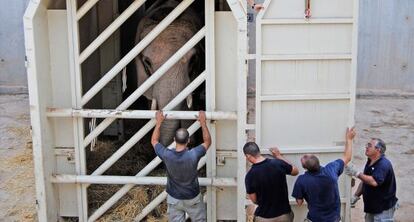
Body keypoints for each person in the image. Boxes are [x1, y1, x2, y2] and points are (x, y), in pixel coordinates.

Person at [151, 110, 211, 222]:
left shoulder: (167, 155)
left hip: (174, 198)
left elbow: (154, 141)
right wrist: (203, 123)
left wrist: (159, 122)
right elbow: (207, 142)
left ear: (174, 139)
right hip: (192, 197)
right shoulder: (193, 154)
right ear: (188, 140)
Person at [292, 127, 356, 222]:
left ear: (305, 168)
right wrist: (349, 139)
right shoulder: (331, 169)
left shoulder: (302, 180)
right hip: (334, 219)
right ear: (318, 160)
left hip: (315, 219)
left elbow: (299, 202)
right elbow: (347, 157)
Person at [345, 138, 398, 222]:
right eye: (367, 145)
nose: (366, 147)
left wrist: (356, 173)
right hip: (372, 207)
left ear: (378, 149)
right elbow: (365, 181)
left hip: (383, 208)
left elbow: (374, 182)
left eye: (369, 146)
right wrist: (356, 196)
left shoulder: (383, 164)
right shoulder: (370, 161)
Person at [244, 142, 299, 222]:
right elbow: (295, 171)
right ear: (258, 151)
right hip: (284, 215)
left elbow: (254, 200)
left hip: (264, 217)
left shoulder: (250, 176)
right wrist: (278, 156)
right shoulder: (278, 164)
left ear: (248, 156)